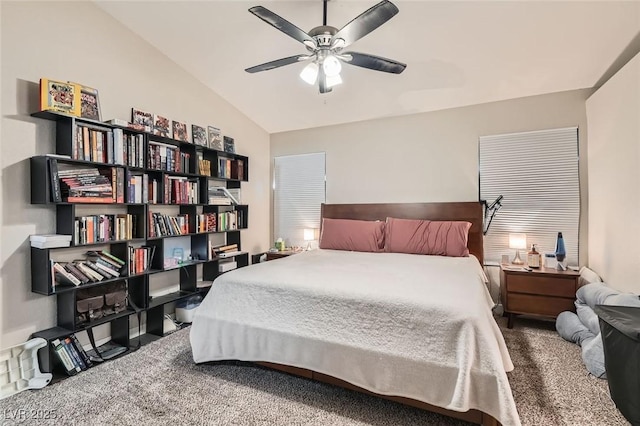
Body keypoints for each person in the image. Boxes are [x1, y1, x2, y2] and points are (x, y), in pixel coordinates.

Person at [556, 281, 640, 378]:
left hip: (623, 320)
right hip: (625, 310)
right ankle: (588, 335)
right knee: (582, 298)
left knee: (577, 305)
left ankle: (587, 335)